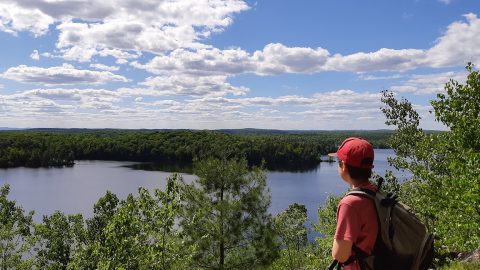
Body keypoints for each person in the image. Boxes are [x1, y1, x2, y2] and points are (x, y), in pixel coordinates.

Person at [328, 137, 378, 270]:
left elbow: (340, 255)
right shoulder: (375, 192)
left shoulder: (350, 204)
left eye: (338, 162)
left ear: (343, 166)